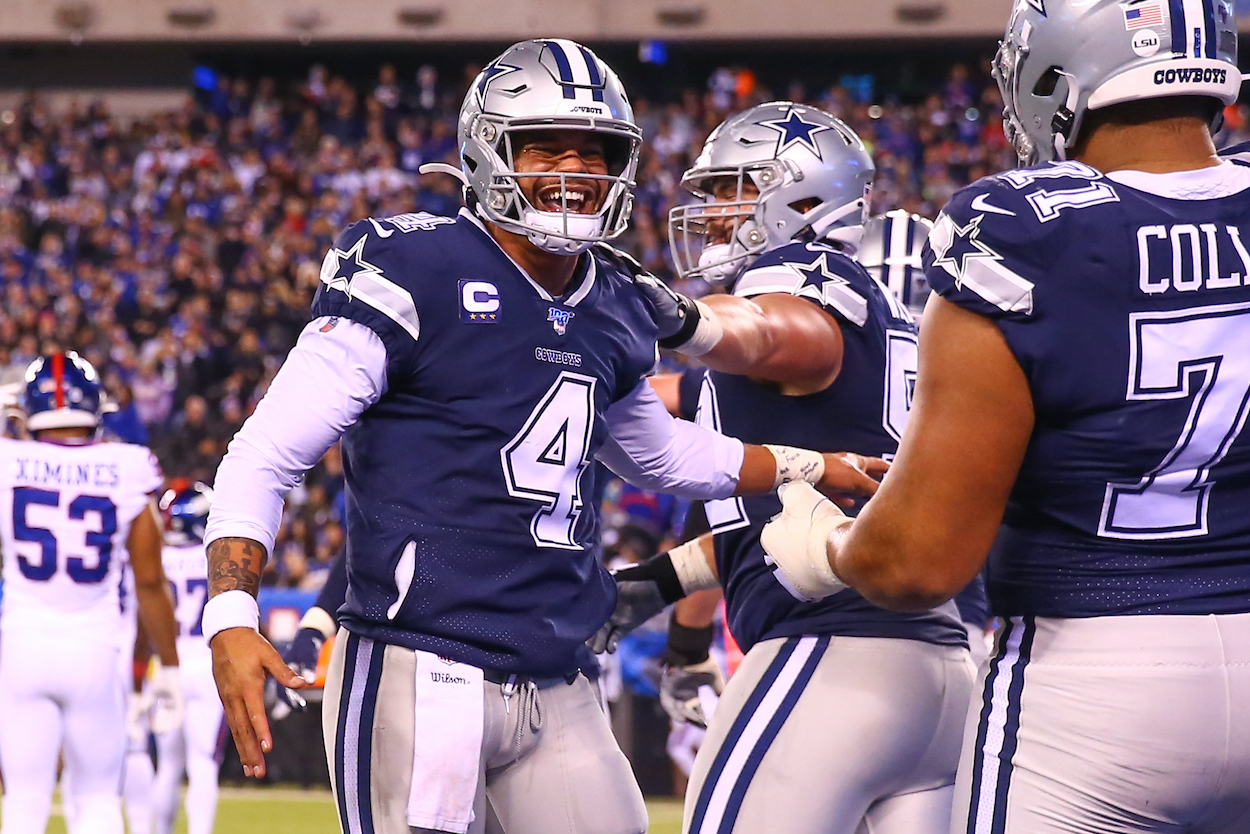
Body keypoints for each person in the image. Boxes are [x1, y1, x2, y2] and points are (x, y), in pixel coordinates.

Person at [201, 40, 882, 834]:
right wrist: (231, 618)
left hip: (562, 674)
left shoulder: (616, 298)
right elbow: (266, 452)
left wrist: (809, 465)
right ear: (490, 152)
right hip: (422, 660)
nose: (577, 167)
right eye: (547, 147)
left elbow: (661, 453)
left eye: (596, 151)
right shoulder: (412, 263)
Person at [759, 3, 1250, 832]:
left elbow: (920, 564)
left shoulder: (1022, 230)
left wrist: (828, 551)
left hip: (1094, 678)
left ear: (1057, 75)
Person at [597, 103, 976, 834]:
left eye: (732, 188)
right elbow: (763, 529)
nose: (708, 212)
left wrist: (688, 321)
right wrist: (648, 593)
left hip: (830, 660)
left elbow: (779, 334)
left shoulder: (802, 278)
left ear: (802, 200)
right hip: (934, 676)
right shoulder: (884, 326)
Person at [0, 351, 182, 834]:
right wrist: (169, 661)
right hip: (95, 649)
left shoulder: (7, 458)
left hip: (24, 644)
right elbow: (148, 580)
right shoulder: (126, 465)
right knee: (99, 798)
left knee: (23, 800)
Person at [152, 480, 224, 834]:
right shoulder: (217, 556)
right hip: (208, 668)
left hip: (167, 665)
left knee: (167, 764)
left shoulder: (157, 558)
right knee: (203, 765)